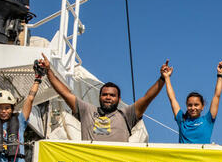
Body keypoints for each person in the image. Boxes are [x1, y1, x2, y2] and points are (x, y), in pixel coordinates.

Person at [39, 54, 168, 142]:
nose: (108, 97)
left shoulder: (127, 114)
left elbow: (147, 98)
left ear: (119, 99)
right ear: (100, 97)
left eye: (112, 95)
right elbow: (65, 94)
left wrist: (162, 78)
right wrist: (49, 71)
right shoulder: (87, 111)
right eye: (105, 94)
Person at [163, 60, 222, 144]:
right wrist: (167, 77)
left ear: (203, 106)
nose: (193, 108)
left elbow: (217, 95)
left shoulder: (208, 120)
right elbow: (172, 98)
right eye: (190, 105)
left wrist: (220, 75)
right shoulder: (182, 120)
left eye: (196, 105)